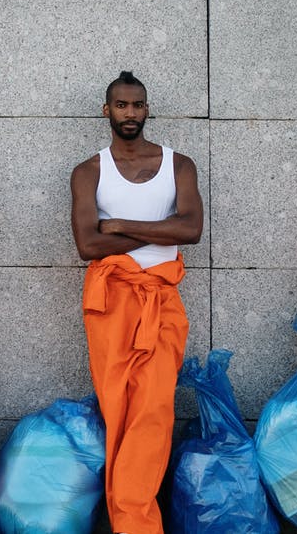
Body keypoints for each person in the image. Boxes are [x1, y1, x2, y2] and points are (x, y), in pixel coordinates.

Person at [69, 71, 203, 534]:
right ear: (106, 111)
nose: (130, 113)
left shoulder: (178, 164)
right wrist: (154, 232)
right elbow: (87, 245)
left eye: (138, 105)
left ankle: (135, 523)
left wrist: (119, 225)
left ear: (148, 109)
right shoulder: (89, 171)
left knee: (153, 410)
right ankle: (129, 519)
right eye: (121, 106)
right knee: (117, 410)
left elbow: (190, 231)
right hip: (111, 302)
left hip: (161, 301)